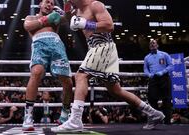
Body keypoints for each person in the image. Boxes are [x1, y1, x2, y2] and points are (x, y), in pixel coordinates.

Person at [51, 0, 165, 131]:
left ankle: (76, 120)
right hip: (97, 48)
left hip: (103, 46)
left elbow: (109, 25)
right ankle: (153, 113)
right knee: (116, 91)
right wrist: (62, 13)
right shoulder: (76, 9)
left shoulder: (95, 5)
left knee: (81, 76)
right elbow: (69, 20)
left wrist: (85, 24)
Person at [22, 0, 73, 131]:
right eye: (46, 2)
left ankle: (65, 114)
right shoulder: (31, 17)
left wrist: (67, 6)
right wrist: (46, 19)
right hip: (39, 45)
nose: (49, 4)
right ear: (40, 4)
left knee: (68, 82)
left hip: (57, 45)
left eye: (51, 3)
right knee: (36, 72)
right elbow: (28, 26)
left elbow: (68, 18)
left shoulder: (56, 18)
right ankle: (28, 116)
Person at [143, 39, 173, 124]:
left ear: (157, 45)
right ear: (149, 46)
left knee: (166, 99)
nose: (152, 44)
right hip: (153, 79)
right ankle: (156, 119)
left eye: (154, 43)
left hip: (164, 78)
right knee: (152, 99)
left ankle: (167, 121)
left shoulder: (164, 54)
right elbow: (145, 69)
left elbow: (171, 66)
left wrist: (162, 72)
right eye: (151, 43)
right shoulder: (147, 57)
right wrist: (149, 74)